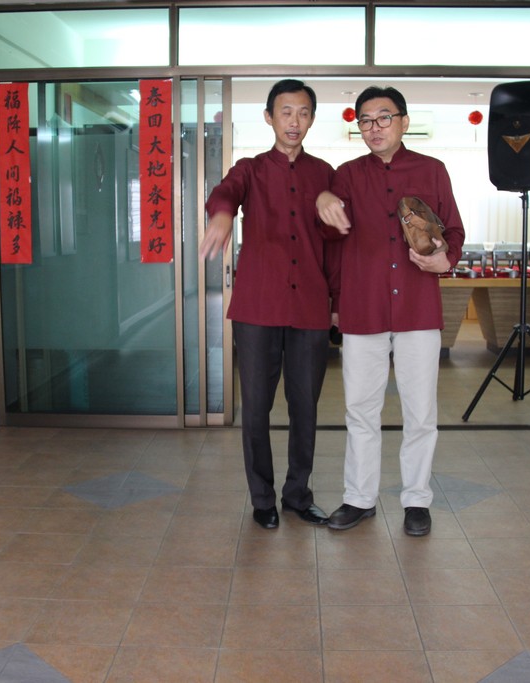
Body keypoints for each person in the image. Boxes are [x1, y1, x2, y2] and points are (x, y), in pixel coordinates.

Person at [316, 85, 465, 537]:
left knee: (421, 412)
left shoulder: (432, 170)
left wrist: (446, 260)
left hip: (418, 308)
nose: (374, 127)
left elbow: (454, 230)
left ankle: (416, 500)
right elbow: (332, 243)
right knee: (361, 410)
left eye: (383, 117)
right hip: (362, 308)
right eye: (364, 120)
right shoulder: (346, 175)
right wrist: (323, 203)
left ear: (404, 121)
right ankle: (359, 498)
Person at [199, 79, 336, 530]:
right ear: (269, 117)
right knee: (256, 408)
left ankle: (297, 494)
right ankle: (262, 498)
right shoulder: (250, 169)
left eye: (303, 113)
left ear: (311, 119)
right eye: (285, 112)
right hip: (257, 307)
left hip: (310, 308)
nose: (294, 121)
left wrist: (330, 202)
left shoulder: (325, 174)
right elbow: (225, 193)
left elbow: (337, 238)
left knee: (305, 407)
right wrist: (222, 213)